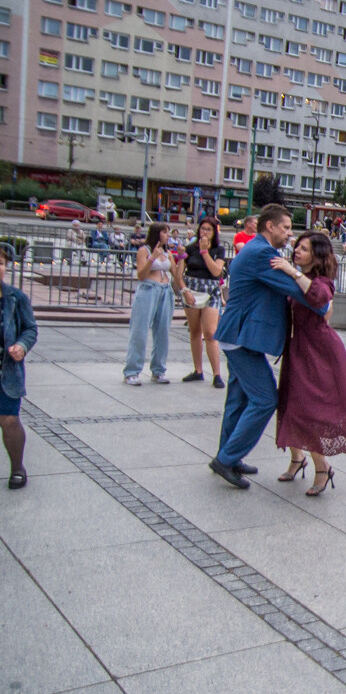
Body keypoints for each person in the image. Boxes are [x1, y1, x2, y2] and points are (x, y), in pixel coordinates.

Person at [210, 204, 312, 489]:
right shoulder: (262, 254)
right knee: (266, 399)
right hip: (241, 338)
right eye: (286, 228)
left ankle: (228, 454)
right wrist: (318, 294)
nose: (290, 234)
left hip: (240, 336)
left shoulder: (258, 250)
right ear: (270, 226)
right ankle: (227, 458)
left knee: (238, 401)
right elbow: (293, 288)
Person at [269, 232, 346, 496]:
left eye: (303, 249)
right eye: (297, 247)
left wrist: (293, 272)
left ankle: (321, 466)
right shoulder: (300, 278)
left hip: (319, 350)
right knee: (290, 404)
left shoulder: (321, 280)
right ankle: (296, 458)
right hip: (299, 347)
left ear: (317, 256)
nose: (297, 252)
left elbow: (319, 297)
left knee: (309, 409)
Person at [0, 243, 38, 490]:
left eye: (1, 263)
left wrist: (22, 346)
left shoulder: (16, 298)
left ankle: (17, 467)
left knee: (9, 420)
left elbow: (30, 329)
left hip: (7, 371)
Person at [124, 224, 179, 386]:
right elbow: (141, 275)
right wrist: (152, 257)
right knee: (139, 331)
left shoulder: (167, 252)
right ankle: (132, 371)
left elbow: (176, 273)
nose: (167, 235)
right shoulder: (144, 250)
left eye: (168, 232)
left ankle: (158, 370)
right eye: (164, 232)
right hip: (148, 289)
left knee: (163, 332)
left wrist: (181, 258)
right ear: (156, 233)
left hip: (165, 290)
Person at [176, 217, 227, 389]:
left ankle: (217, 374)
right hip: (192, 289)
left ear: (214, 233)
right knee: (195, 330)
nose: (204, 232)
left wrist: (205, 252)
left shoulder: (218, 250)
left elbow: (216, 271)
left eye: (208, 230)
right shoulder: (190, 249)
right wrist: (184, 290)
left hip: (210, 289)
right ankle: (198, 370)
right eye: (202, 229)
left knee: (211, 332)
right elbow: (179, 274)